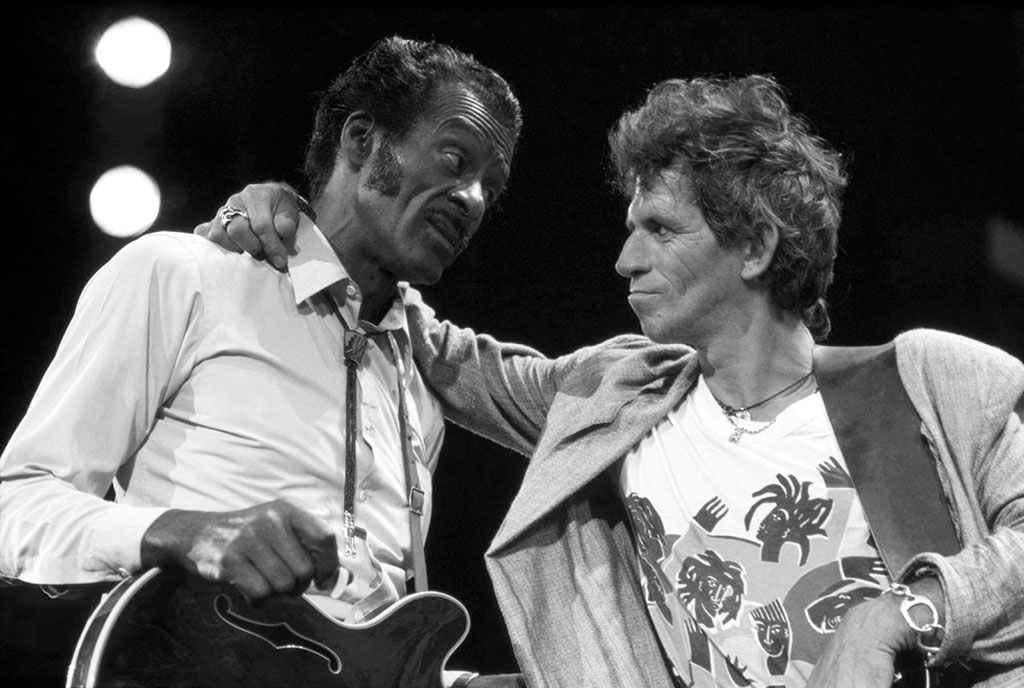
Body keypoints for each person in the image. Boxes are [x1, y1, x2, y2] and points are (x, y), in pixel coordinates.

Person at [199, 74, 1024, 687]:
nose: (626, 260)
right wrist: (295, 219)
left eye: (660, 229)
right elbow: (436, 347)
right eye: (631, 228)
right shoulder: (619, 396)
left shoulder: (920, 381)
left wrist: (895, 616)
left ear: (756, 247)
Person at [0, 35, 525, 687]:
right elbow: (15, 507)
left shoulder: (417, 388)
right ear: (362, 140)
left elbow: (348, 653)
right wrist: (182, 532)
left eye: (491, 187)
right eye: (455, 159)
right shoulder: (183, 275)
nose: (473, 200)